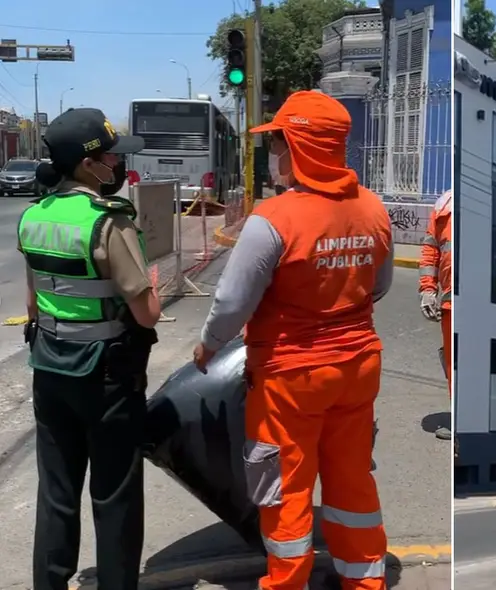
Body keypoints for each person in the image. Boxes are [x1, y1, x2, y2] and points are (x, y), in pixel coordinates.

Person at [193, 90, 393, 590]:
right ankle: (365, 581)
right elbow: (381, 285)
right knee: (352, 481)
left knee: (284, 489)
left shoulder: (273, 220)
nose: (275, 155)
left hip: (290, 378)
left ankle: (287, 583)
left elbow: (232, 302)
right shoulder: (374, 210)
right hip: (357, 369)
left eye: (279, 143)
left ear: (300, 147)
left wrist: (208, 346)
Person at [20, 108, 159, 590]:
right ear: (87, 165)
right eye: (109, 158)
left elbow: (34, 304)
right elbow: (147, 314)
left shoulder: (34, 216)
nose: (116, 167)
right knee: (114, 495)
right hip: (107, 380)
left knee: (56, 493)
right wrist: (151, 289)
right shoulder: (109, 222)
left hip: (49, 370)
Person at [418, 189, 453, 441]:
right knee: (454, 365)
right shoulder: (444, 206)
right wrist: (428, 290)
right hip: (452, 302)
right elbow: (431, 251)